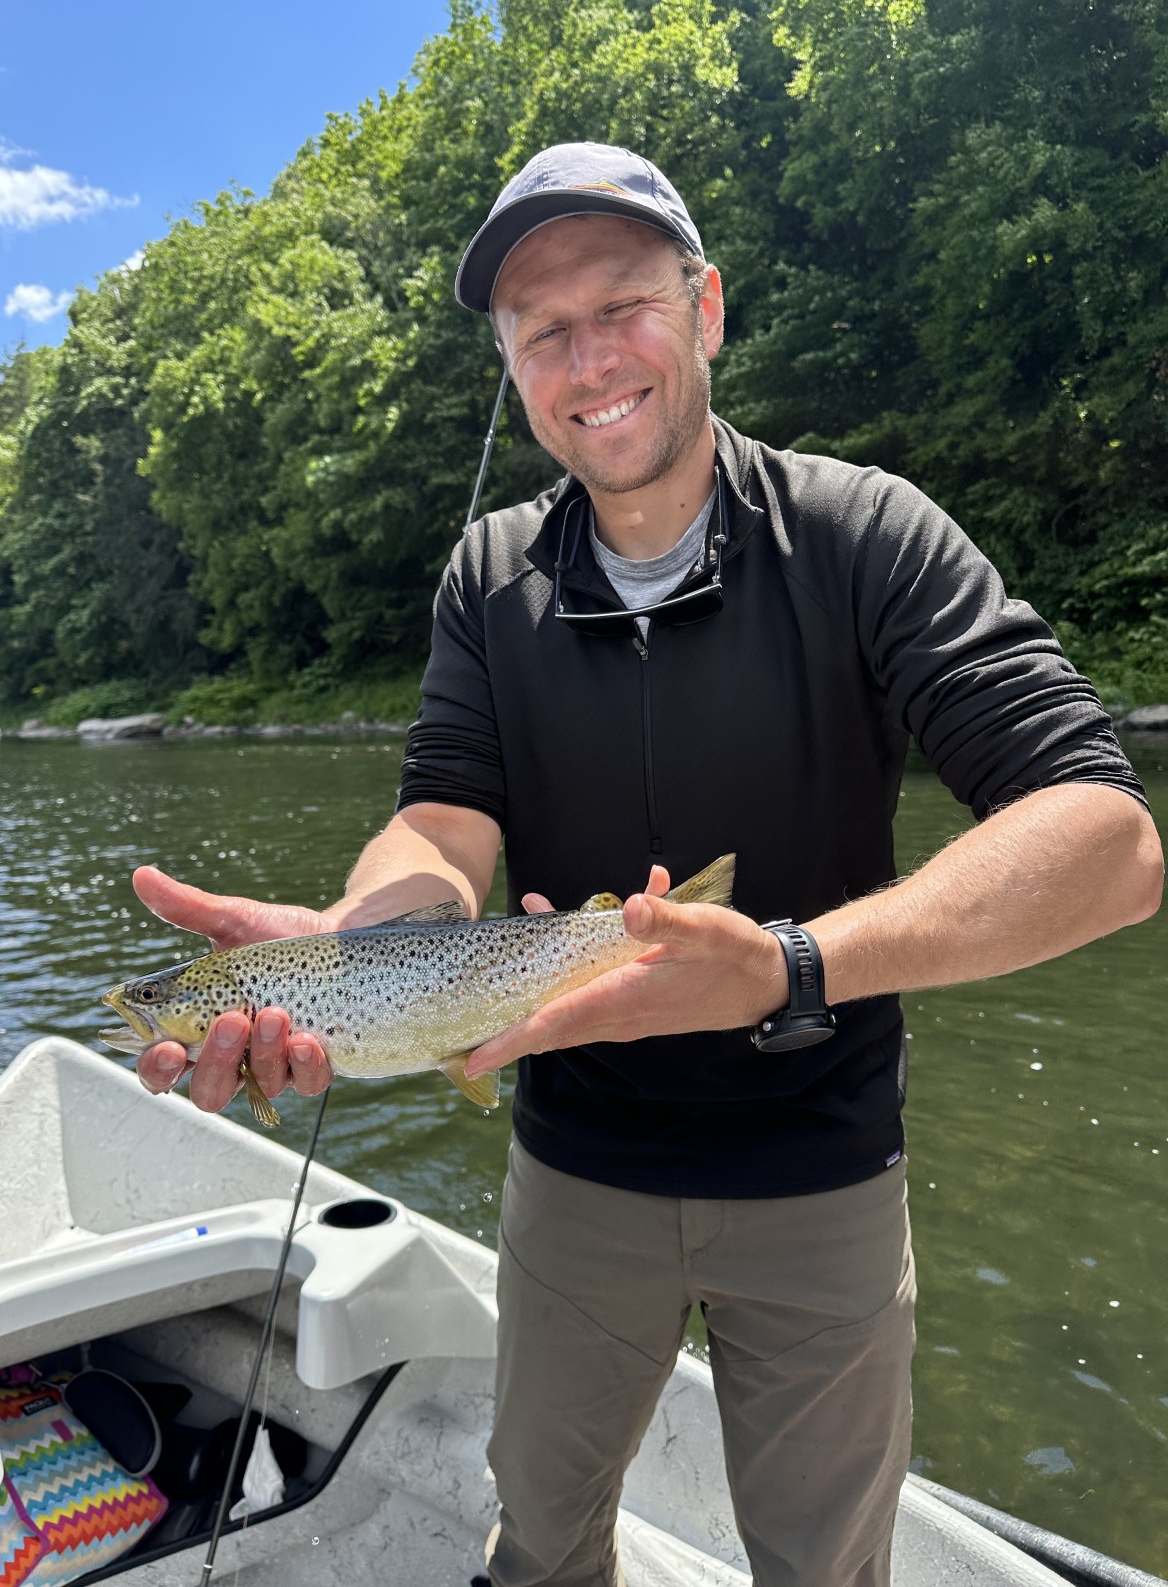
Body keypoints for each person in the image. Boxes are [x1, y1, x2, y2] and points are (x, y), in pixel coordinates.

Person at [133, 142, 1163, 1586]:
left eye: (621, 304)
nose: (589, 357)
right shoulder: (487, 575)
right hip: (579, 1171)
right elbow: (444, 817)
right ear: (512, 365)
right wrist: (365, 944)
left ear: (708, 309)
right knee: (543, 1547)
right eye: (543, 332)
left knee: (824, 1570)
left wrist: (796, 964)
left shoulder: (866, 534)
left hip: (823, 1167)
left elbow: (1106, 838)